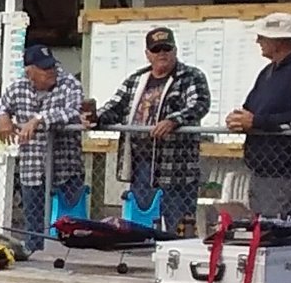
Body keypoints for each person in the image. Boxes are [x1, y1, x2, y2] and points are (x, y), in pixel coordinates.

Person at [85, 26, 211, 229]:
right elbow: (115, 107)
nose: (162, 53)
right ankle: (142, 256)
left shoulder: (191, 76)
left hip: (176, 165)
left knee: (177, 222)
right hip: (141, 163)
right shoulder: (137, 79)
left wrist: (173, 121)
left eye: (166, 48)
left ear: (175, 50)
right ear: (147, 54)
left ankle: (174, 251)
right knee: (141, 219)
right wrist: (94, 118)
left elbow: (199, 104)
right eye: (156, 49)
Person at [0, 43, 88, 241]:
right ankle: (34, 252)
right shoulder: (18, 86)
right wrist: (2, 117)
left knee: (69, 223)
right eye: (45, 68)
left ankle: (67, 259)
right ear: (30, 72)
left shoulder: (69, 83)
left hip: (66, 167)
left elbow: (74, 111)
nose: (51, 71)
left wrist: (39, 119)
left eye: (52, 66)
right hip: (32, 166)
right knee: (33, 221)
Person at [224, 12, 291, 220]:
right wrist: (238, 119)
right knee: (263, 228)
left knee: (286, 232)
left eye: (263, 37)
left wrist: (256, 122)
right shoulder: (267, 71)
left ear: (279, 41)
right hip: (262, 169)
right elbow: (251, 108)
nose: (258, 42)